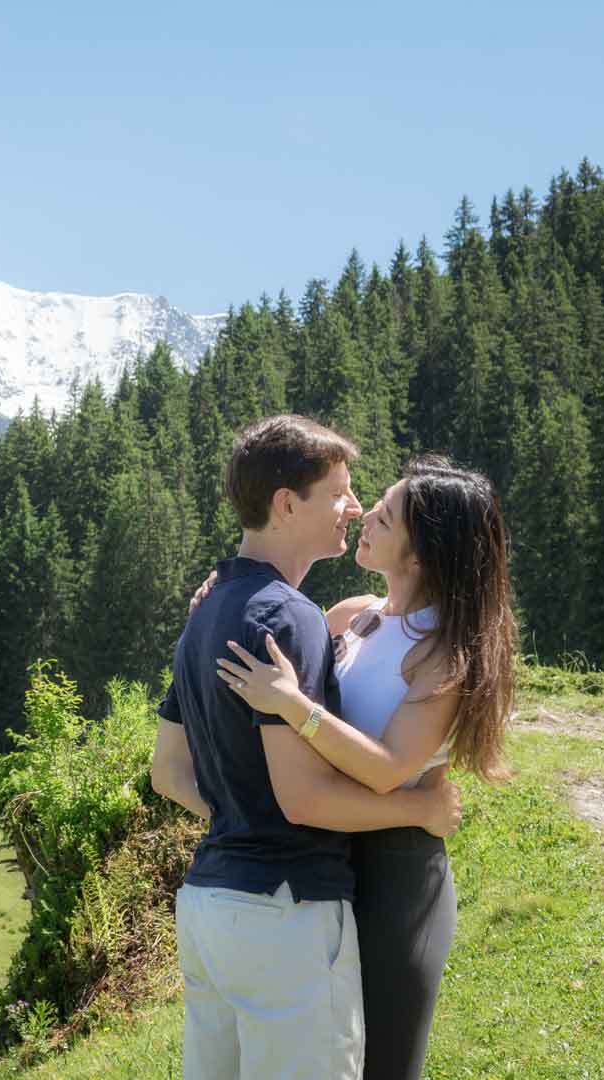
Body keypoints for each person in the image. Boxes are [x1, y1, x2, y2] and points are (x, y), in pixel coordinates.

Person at [149, 416, 463, 1080]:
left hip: (208, 904)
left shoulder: (207, 611)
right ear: (287, 505)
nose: (355, 509)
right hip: (285, 913)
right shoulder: (291, 617)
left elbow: (168, 774)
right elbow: (303, 798)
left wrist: (239, 815)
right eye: (341, 493)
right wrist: (419, 810)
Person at [208, 454, 516, 1080]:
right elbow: (275, 653)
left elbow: (387, 768)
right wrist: (219, 594)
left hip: (398, 879)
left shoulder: (442, 653)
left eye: (385, 515)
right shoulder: (351, 615)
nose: (363, 515)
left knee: (383, 1066)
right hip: (327, 860)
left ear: (423, 553)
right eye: (371, 505)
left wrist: (295, 709)